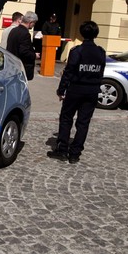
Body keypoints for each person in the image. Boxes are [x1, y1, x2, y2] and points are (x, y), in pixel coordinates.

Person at [48, 20, 106, 164]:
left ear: (82, 34)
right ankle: (75, 153)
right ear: (96, 34)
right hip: (92, 91)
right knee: (83, 123)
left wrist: (61, 90)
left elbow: (68, 72)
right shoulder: (100, 52)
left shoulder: (76, 51)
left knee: (66, 118)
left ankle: (62, 150)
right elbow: (100, 73)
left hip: (76, 89)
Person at [6, 11, 38, 80]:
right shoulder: (25, 33)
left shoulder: (13, 30)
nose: (33, 25)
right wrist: (34, 55)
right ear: (31, 22)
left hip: (11, 66)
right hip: (21, 68)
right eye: (34, 23)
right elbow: (24, 52)